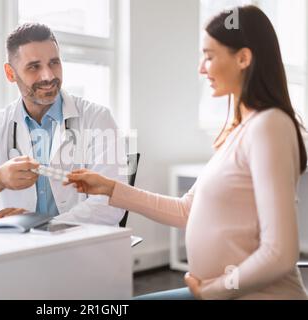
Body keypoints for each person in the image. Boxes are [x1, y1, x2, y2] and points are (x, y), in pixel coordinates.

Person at [65, 5, 308, 299]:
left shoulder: (270, 125)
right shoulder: (238, 131)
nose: (201, 68)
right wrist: (109, 188)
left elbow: (280, 252)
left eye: (209, 56)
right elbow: (186, 211)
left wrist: (214, 291)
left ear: (243, 57)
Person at [0, 23, 127, 225]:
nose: (48, 76)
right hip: (22, 246)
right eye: (34, 66)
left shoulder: (97, 118)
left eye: (54, 63)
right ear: (11, 74)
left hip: (81, 246)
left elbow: (112, 203)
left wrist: (43, 226)